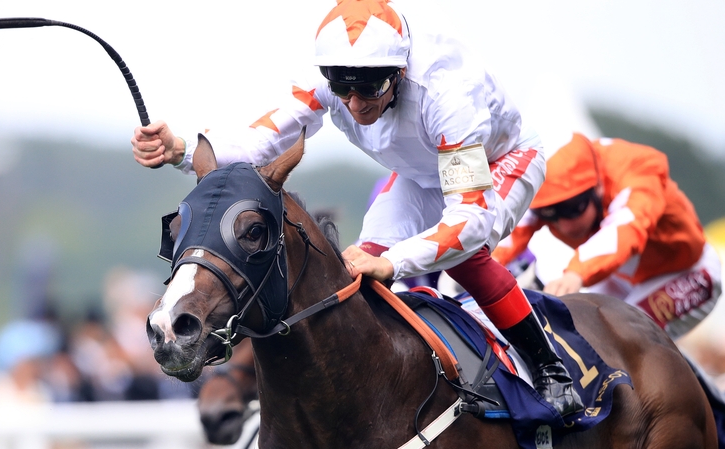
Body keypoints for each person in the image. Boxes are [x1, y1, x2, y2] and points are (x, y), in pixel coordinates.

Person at [131, 0, 582, 416]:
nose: (353, 103)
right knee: (354, 269)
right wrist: (181, 149)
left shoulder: (449, 96)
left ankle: (548, 369)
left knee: (464, 256)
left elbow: (469, 223)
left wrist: (393, 261)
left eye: (368, 88)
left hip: (500, 161)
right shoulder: (330, 83)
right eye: (341, 88)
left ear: (400, 72)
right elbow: (260, 141)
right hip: (420, 173)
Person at [493, 132, 721, 341]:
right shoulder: (555, 188)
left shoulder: (638, 169)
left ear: (598, 187)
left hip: (688, 272)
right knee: (577, 335)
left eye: (572, 209)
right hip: (617, 276)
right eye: (549, 215)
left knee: (617, 335)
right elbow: (510, 232)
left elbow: (625, 228)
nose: (564, 225)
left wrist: (575, 274)